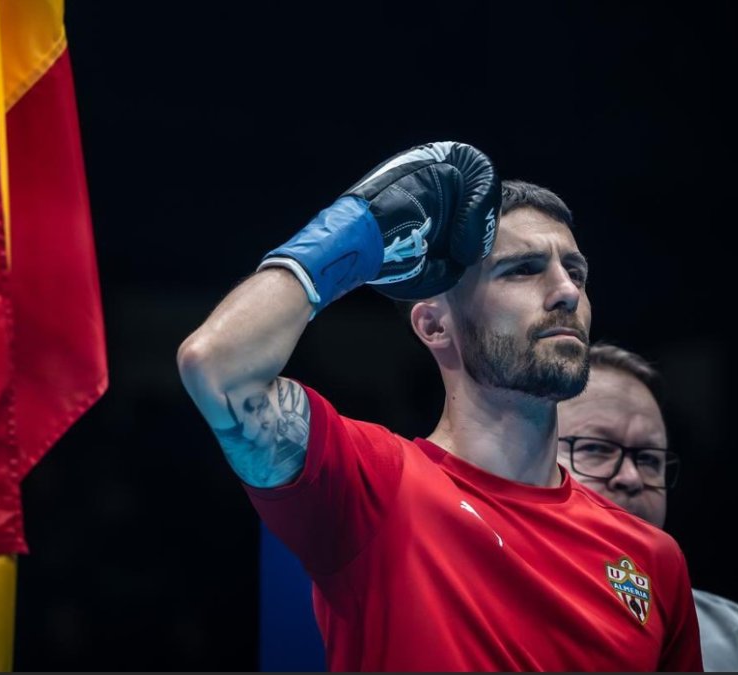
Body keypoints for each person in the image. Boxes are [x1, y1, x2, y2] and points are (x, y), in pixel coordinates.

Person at [177, 141, 702, 671]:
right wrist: (357, 226)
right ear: (434, 325)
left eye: (577, 272)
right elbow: (218, 366)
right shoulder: (376, 485)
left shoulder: (652, 559)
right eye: (522, 269)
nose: (566, 291)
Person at [556, 342, 738, 672]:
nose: (631, 477)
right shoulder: (479, 615)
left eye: (649, 459)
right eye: (596, 448)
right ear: (526, 457)